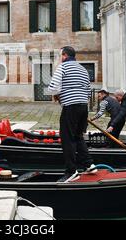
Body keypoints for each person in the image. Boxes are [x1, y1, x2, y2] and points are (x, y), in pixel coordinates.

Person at [48, 46, 97, 183]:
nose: (60, 59)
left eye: (60, 56)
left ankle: (71, 171)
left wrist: (58, 95)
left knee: (67, 138)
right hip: (83, 106)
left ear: (64, 55)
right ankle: (88, 164)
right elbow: (88, 91)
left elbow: (52, 87)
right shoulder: (83, 69)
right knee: (78, 135)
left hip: (71, 107)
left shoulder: (62, 68)